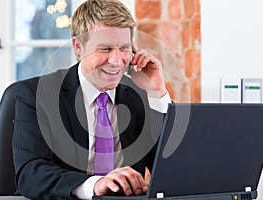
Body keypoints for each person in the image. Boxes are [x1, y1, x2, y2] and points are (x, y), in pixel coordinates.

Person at [13, 0, 171, 199]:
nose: (116, 60)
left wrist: (157, 93)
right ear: (78, 46)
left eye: (124, 48)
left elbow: (173, 169)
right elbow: (30, 174)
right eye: (105, 49)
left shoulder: (139, 96)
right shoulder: (37, 95)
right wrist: (95, 185)